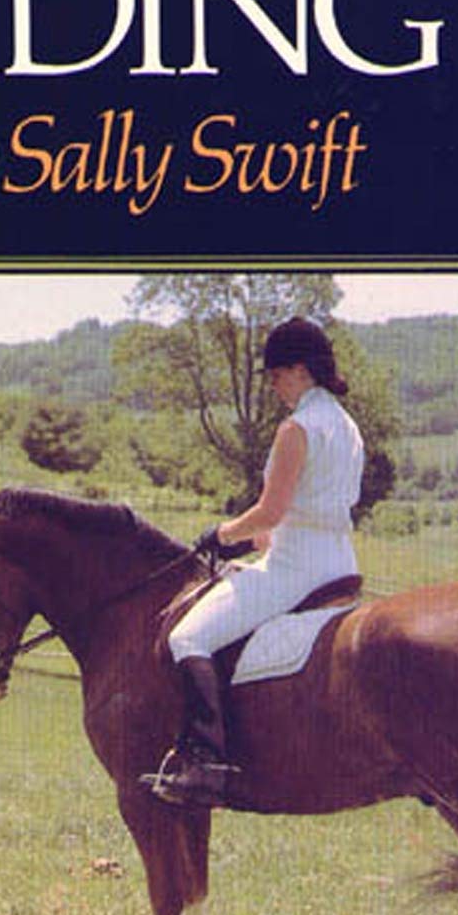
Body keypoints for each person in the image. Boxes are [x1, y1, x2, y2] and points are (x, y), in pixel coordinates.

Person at [151, 317, 365, 806]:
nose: (272, 386)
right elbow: (305, 510)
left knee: (187, 637)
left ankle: (206, 763)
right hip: (340, 564)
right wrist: (250, 543)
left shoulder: (297, 429)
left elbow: (271, 511)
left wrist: (221, 534)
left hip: (294, 571)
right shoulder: (347, 427)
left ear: (301, 370)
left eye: (276, 375)